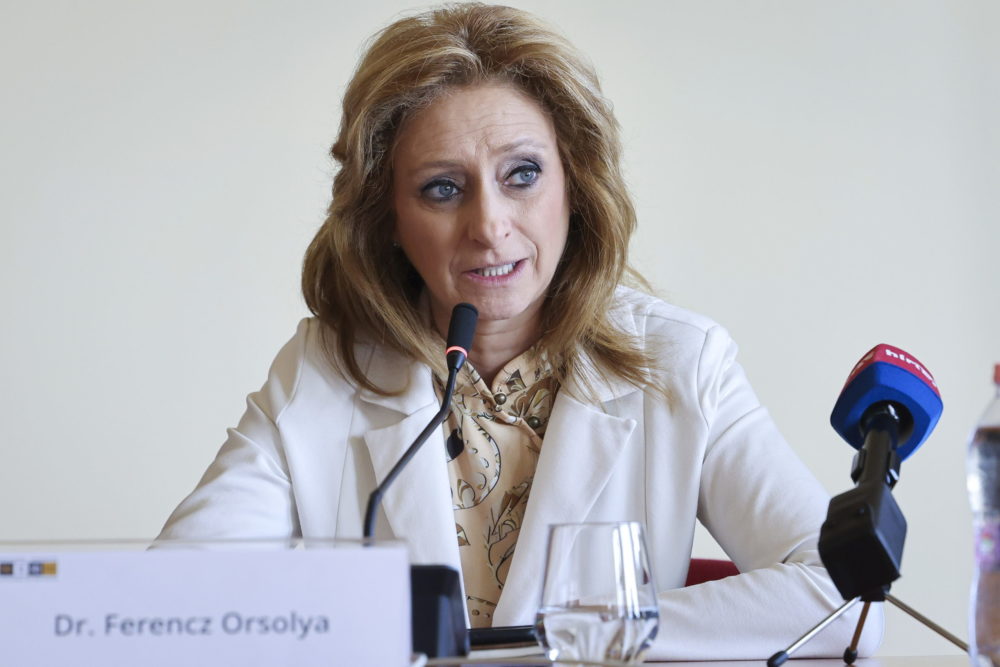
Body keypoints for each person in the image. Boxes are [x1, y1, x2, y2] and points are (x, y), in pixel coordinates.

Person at [158, 3, 881, 659]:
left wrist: (591, 630)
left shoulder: (681, 362)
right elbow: (171, 605)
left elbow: (848, 598)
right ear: (389, 218)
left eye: (522, 174)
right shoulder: (323, 369)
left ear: (575, 186)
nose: (489, 225)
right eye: (443, 188)